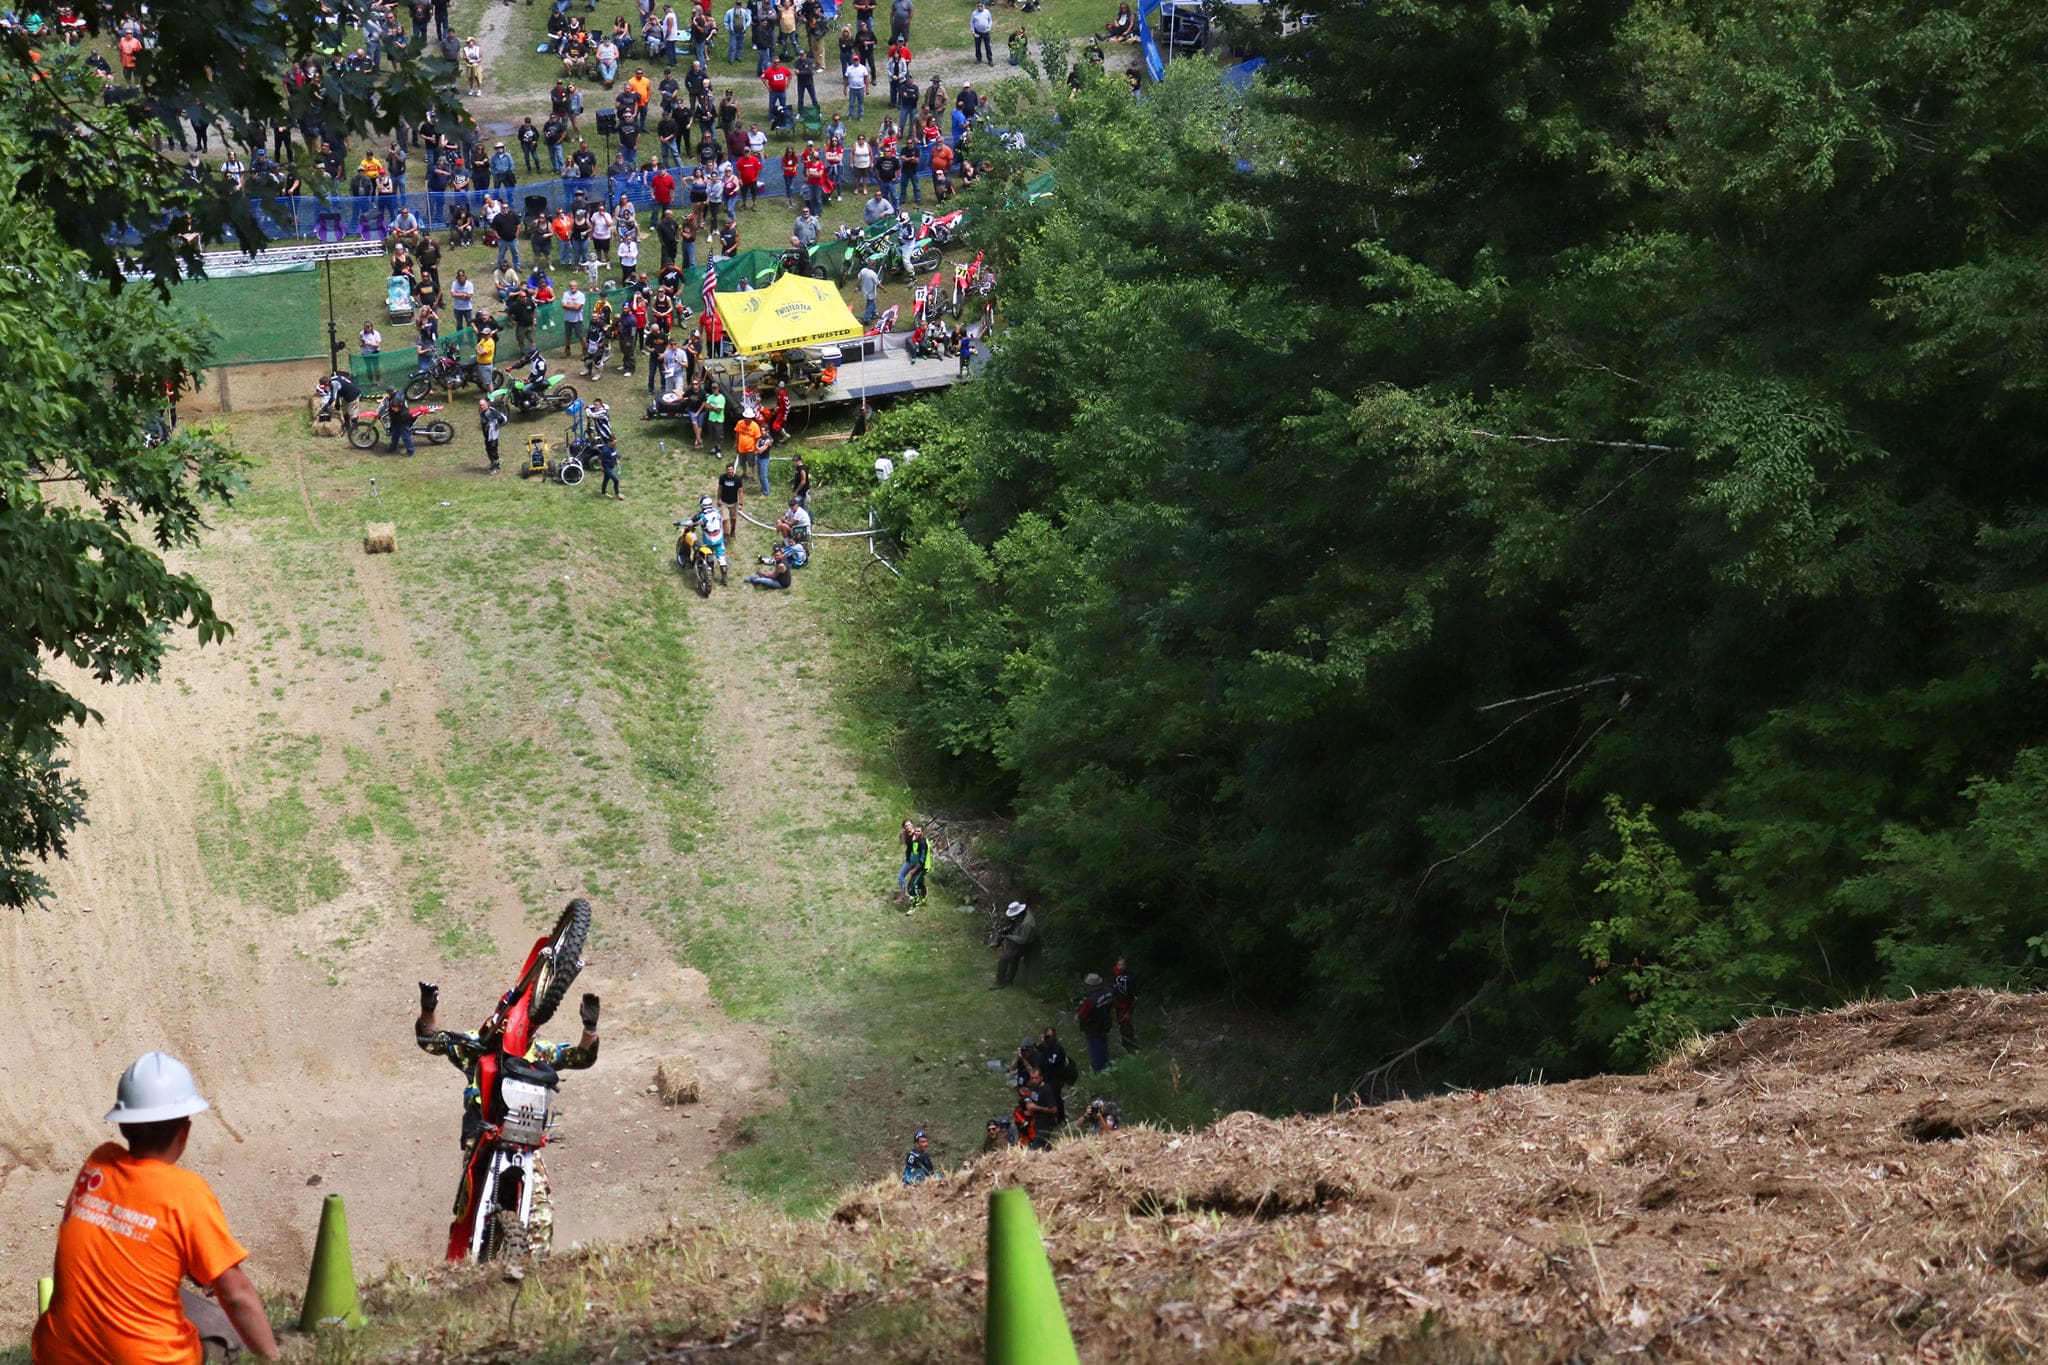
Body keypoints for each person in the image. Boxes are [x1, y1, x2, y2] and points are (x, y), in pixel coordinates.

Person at [32, 1053, 282, 1364]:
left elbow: (131, 1230)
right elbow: (236, 1294)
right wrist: (275, 1357)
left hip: (57, 1356)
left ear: (123, 1126)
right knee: (225, 1329)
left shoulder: (98, 1164)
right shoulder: (186, 1193)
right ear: (185, 1132)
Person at [414, 978, 601, 1256]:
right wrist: (428, 1009)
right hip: (481, 1134)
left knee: (541, 1213)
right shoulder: (477, 1046)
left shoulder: (539, 1052)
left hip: (524, 1139)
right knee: (473, 1201)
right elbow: (431, 1040)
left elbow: (580, 1057)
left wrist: (590, 1027)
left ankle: (534, 1272)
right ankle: (466, 1257)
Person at [991, 900, 1038, 989]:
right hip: (1023, 940)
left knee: (1004, 959)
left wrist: (1009, 936)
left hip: (1026, 944)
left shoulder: (1027, 923)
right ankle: (1009, 981)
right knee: (1014, 960)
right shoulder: (1024, 913)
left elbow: (1022, 940)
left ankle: (999, 982)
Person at [1076, 972, 1117, 1072]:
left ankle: (1097, 1069)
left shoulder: (1090, 1000)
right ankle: (1105, 1064)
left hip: (1093, 1027)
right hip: (1106, 1023)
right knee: (1103, 1043)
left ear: (1090, 985)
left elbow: (1081, 1015)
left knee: (1095, 1047)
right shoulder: (1109, 992)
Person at [1112, 956, 1138, 1052]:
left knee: (1127, 1023)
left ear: (1126, 966)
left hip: (1127, 1005)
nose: (1121, 967)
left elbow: (1134, 996)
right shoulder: (1115, 976)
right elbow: (1114, 992)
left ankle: (1131, 1044)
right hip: (1118, 1005)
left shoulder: (1130, 978)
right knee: (1121, 1023)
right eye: (1119, 965)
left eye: (1123, 965)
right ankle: (1125, 1042)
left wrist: (1129, 1011)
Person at [382, 388, 416, 455]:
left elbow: (395, 409)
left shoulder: (396, 399)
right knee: (395, 434)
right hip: (397, 419)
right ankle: (393, 447)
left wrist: (389, 405)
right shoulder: (399, 393)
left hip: (402, 419)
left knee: (405, 436)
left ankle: (410, 451)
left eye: (389, 393)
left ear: (391, 392)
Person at [479, 395, 508, 473]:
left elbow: (502, 419)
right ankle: (493, 463)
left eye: (483, 405)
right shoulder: (482, 412)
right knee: (488, 450)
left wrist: (496, 425)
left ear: (487, 404)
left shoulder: (491, 411)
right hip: (487, 436)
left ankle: (496, 467)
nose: (482, 406)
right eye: (480, 405)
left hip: (493, 437)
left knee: (493, 451)